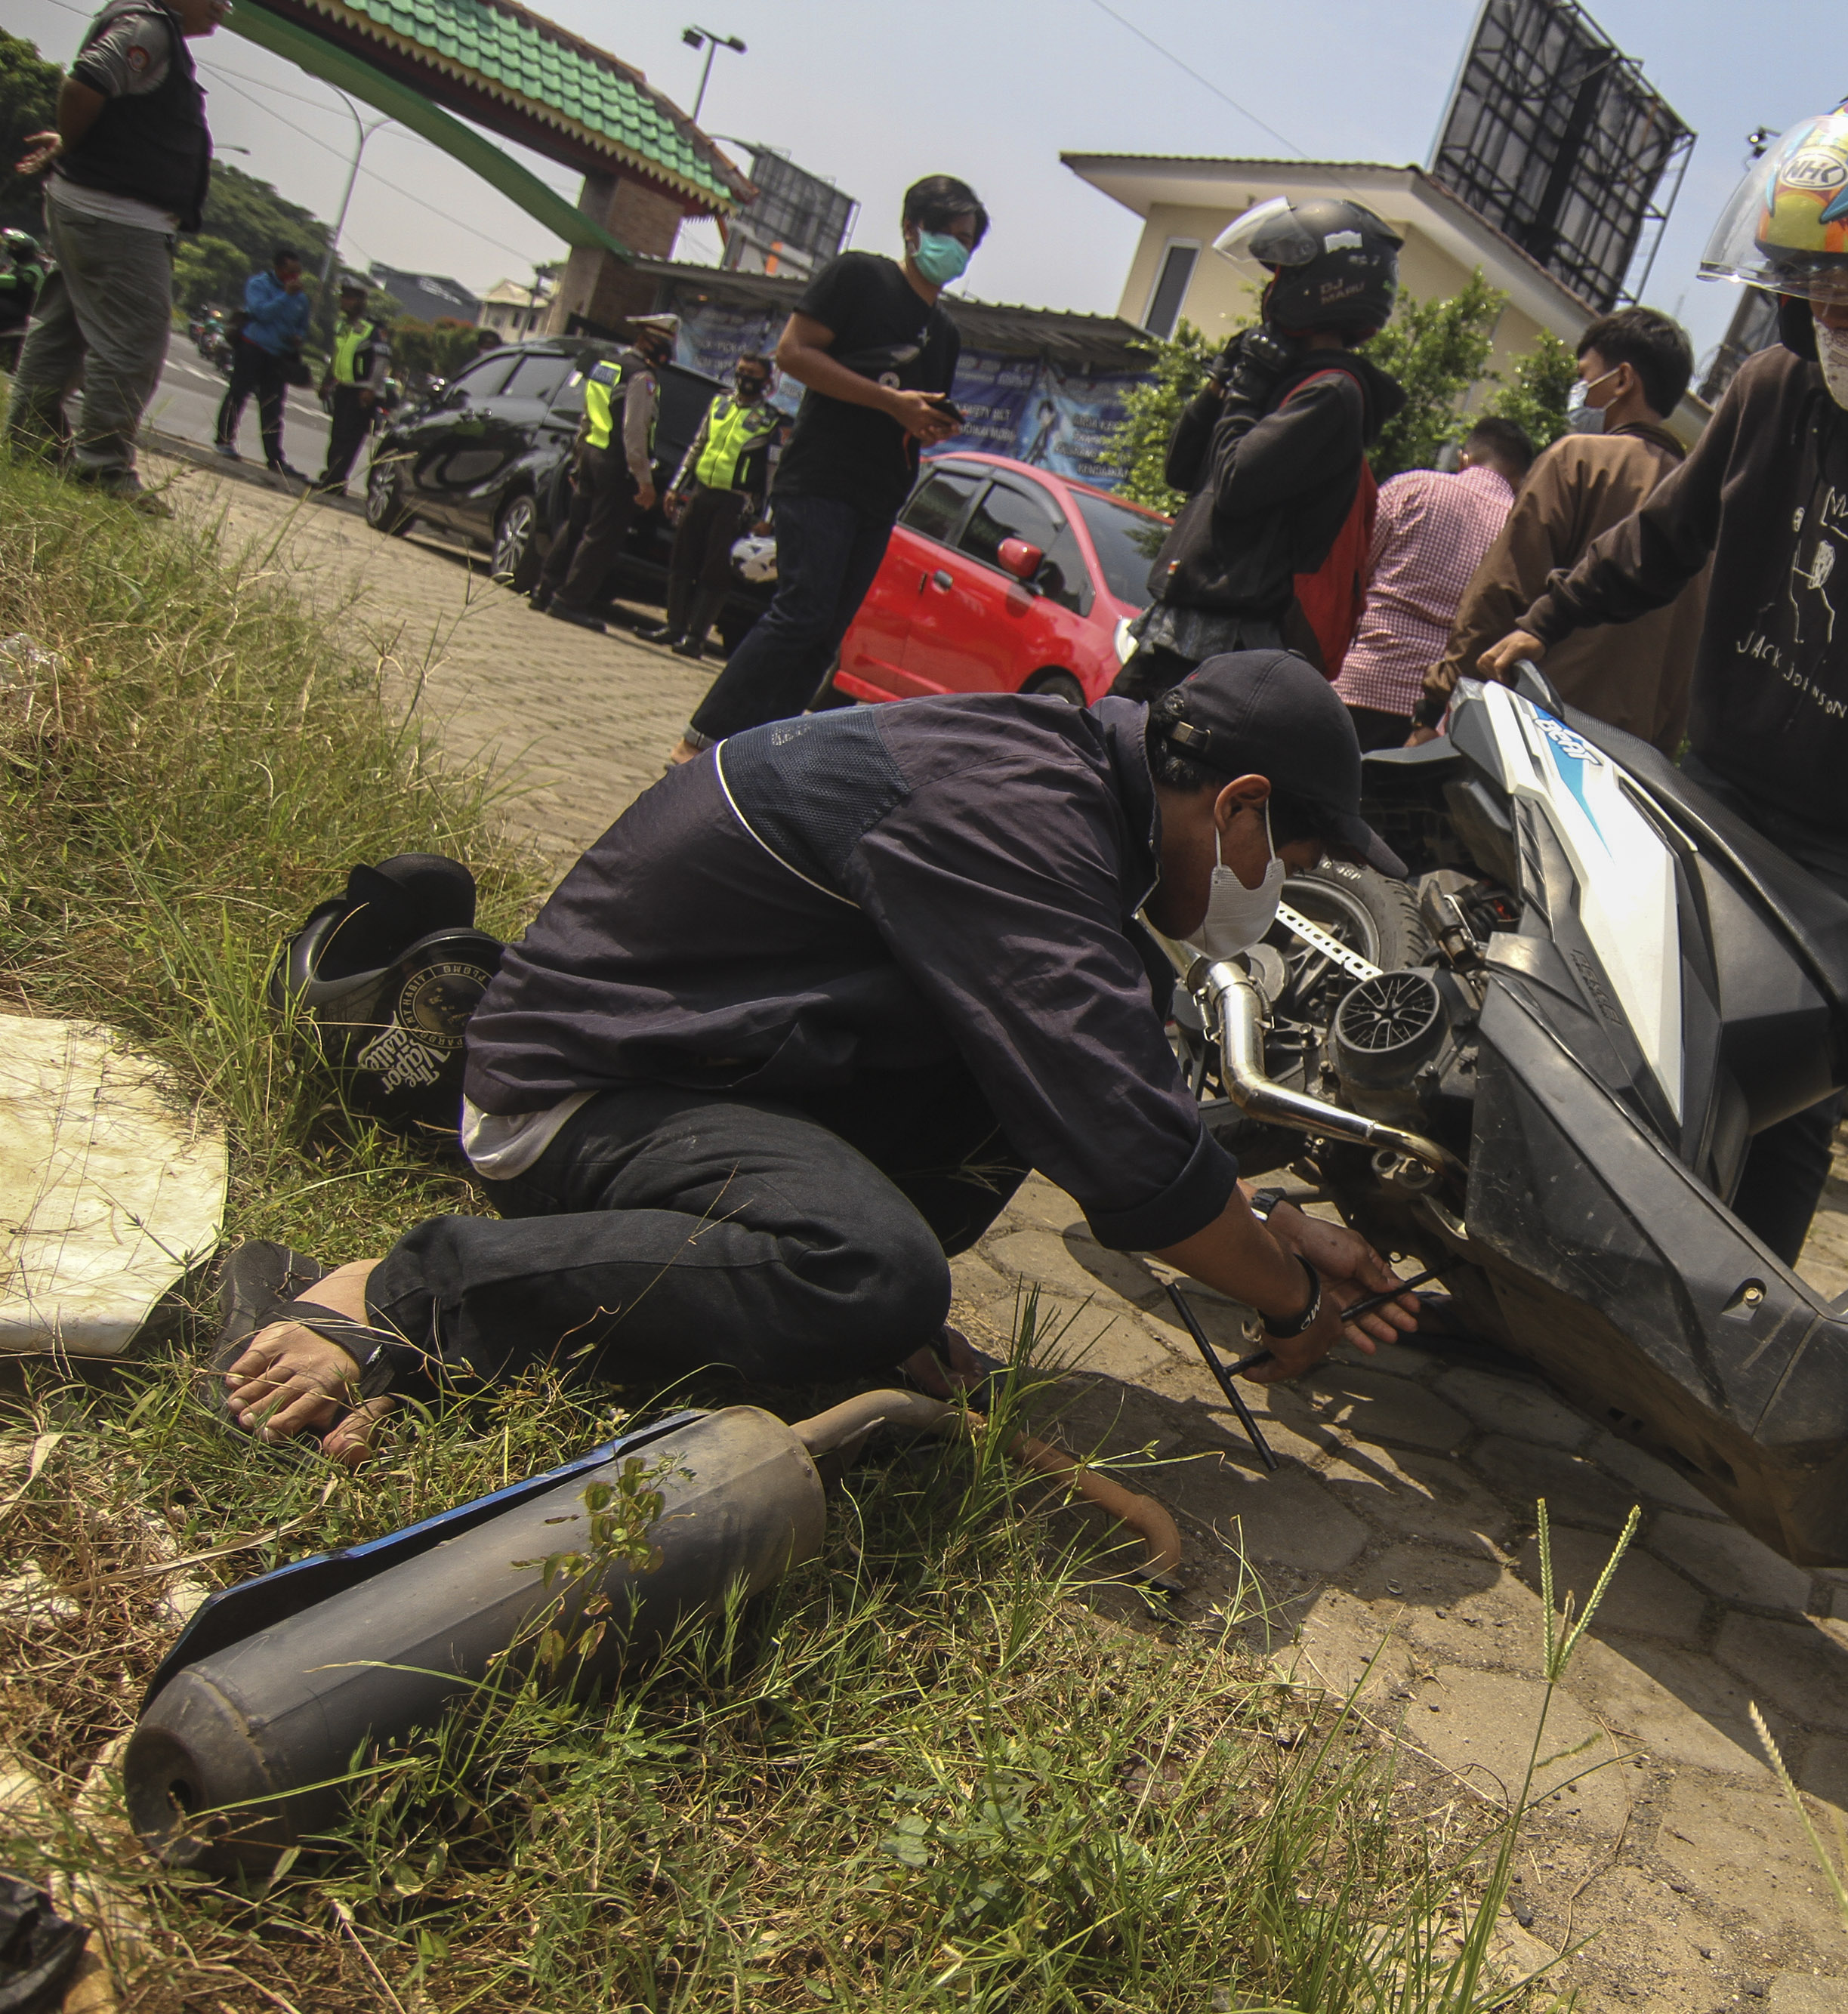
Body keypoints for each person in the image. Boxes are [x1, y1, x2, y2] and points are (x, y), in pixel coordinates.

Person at [205, 652, 1424, 1466]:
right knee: (875, 1272)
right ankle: (410, 1291)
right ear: (1243, 806)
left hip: (701, 1059)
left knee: (1090, 1036)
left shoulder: (1056, 790)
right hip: (578, 1090)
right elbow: (1134, 1168)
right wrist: (1295, 1294)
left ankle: (785, 1297)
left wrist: (1261, 1215)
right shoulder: (1021, 822)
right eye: (1294, 866)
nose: (1277, 896)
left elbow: (1112, 1100)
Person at [1476, 82, 1848, 1265]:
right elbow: (1664, 536)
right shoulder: (1772, 391)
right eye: (1812, 298)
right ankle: (1554, 1262)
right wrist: (1545, 618)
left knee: (1792, 1092)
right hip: (1722, 778)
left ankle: (1728, 1325)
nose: (1831, 327)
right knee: (1629, 1015)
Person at [677, 175, 983, 763]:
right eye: (950, 234)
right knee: (801, 612)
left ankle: (755, 759)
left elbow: (915, 407)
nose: (959, 250)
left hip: (878, 494)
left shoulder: (944, 331)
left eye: (969, 241)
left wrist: (927, 421)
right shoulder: (860, 277)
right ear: (912, 229)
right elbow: (794, 354)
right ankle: (699, 740)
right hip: (819, 478)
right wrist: (890, 400)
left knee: (824, 637)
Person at [1112, 196, 1408, 704]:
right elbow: (1183, 469)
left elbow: (1234, 484)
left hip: (1226, 641)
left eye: (1283, 276)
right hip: (1181, 626)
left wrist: (1249, 386)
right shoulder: (1278, 376)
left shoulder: (1332, 393)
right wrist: (1219, 386)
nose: (1272, 291)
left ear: (1320, 285)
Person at [1415, 307, 1704, 753]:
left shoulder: (1578, 460)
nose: (1578, 390)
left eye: (1584, 375)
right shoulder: (1698, 510)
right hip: (1630, 765)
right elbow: (1684, 666)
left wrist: (1437, 703)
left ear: (1622, 380)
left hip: (1532, 733)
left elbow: (1503, 589)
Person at [5, 0, 223, 515]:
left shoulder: (155, 33)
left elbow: (107, 104)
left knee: (62, 329)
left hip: (98, 208)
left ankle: (29, 443)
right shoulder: (147, 28)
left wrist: (73, 144)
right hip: (117, 218)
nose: (223, 9)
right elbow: (86, 82)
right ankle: (102, 468)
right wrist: (71, 146)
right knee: (133, 345)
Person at [1331, 417, 1530, 749]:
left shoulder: (1411, 488)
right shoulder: (1520, 528)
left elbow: (1353, 575)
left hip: (1362, 682)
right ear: (1520, 479)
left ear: (1465, 457)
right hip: (1448, 713)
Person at [527, 311, 677, 632]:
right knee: (601, 537)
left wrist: (579, 460)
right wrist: (644, 482)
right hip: (616, 463)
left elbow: (587, 417)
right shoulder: (642, 377)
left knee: (575, 525)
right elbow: (634, 434)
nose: (666, 351)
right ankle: (569, 601)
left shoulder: (607, 365)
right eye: (663, 343)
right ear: (645, 339)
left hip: (592, 453)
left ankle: (544, 590)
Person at [645, 352, 784, 658]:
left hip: (735, 503)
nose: (745, 377)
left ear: (765, 381)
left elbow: (776, 476)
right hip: (701, 492)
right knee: (682, 560)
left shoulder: (771, 420)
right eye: (741, 370)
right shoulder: (720, 403)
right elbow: (698, 444)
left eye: (752, 373)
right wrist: (675, 488)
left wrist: (767, 518)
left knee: (715, 572)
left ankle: (695, 637)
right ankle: (674, 626)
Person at [211, 246, 307, 474]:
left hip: (279, 355)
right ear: (279, 268)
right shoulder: (260, 285)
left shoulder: (301, 297)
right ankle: (224, 441)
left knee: (273, 407)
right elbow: (261, 313)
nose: (295, 277)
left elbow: (303, 322)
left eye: (298, 273)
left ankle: (275, 458)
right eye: (291, 272)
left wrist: (299, 336)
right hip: (253, 348)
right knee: (238, 394)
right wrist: (285, 296)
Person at [309, 275, 389, 496]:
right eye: (343, 296)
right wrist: (327, 382)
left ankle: (336, 481)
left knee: (350, 438)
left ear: (360, 301)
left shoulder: (373, 329)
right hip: (344, 388)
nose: (343, 301)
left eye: (348, 297)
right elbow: (337, 355)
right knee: (337, 435)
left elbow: (381, 360)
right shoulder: (342, 325)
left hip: (362, 392)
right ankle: (330, 476)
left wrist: (370, 389)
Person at [0, 228, 43, 370]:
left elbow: (18, 283)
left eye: (16, 246)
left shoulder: (33, 269)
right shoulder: (15, 266)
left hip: (26, 314)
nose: (11, 248)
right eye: (11, 245)